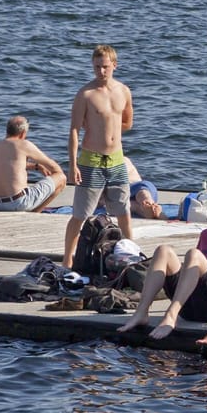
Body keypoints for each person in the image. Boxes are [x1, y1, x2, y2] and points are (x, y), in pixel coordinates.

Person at [117, 199, 207, 341]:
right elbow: (194, 270)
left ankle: (171, 315)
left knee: (193, 254)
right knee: (164, 251)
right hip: (191, 306)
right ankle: (142, 312)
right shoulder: (205, 235)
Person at [66, 44, 135, 268]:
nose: (101, 71)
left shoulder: (123, 91)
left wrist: (109, 129)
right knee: (81, 213)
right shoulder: (85, 94)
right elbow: (74, 130)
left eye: (105, 67)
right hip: (91, 161)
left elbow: (127, 122)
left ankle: (130, 252)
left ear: (114, 65)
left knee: (123, 211)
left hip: (116, 159)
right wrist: (73, 164)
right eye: (97, 67)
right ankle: (68, 258)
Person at [0, 115, 66, 212]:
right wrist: (57, 177)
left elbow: (11, 165)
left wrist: (37, 166)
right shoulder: (24, 144)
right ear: (23, 133)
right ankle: (35, 213)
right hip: (18, 203)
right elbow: (52, 165)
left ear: (7, 130)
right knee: (62, 178)